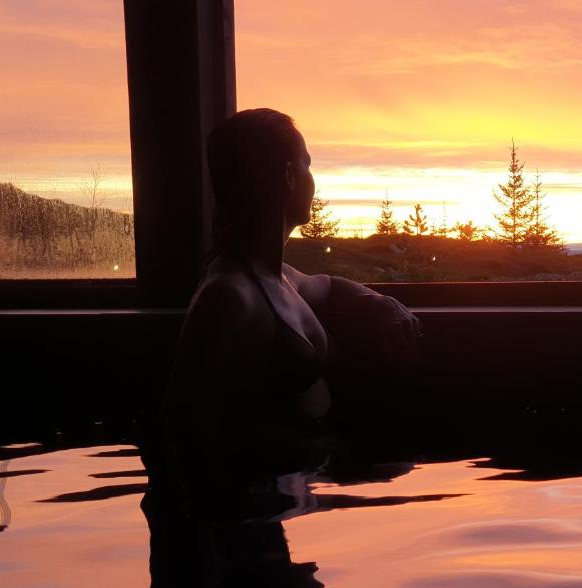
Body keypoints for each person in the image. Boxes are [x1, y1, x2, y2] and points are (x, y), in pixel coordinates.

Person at [164, 108, 421, 489]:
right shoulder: (230, 296)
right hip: (260, 497)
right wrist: (330, 455)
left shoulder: (275, 276)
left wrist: (380, 301)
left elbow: (326, 283)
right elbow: (190, 428)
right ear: (287, 176)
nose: (313, 181)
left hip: (298, 477)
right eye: (307, 165)